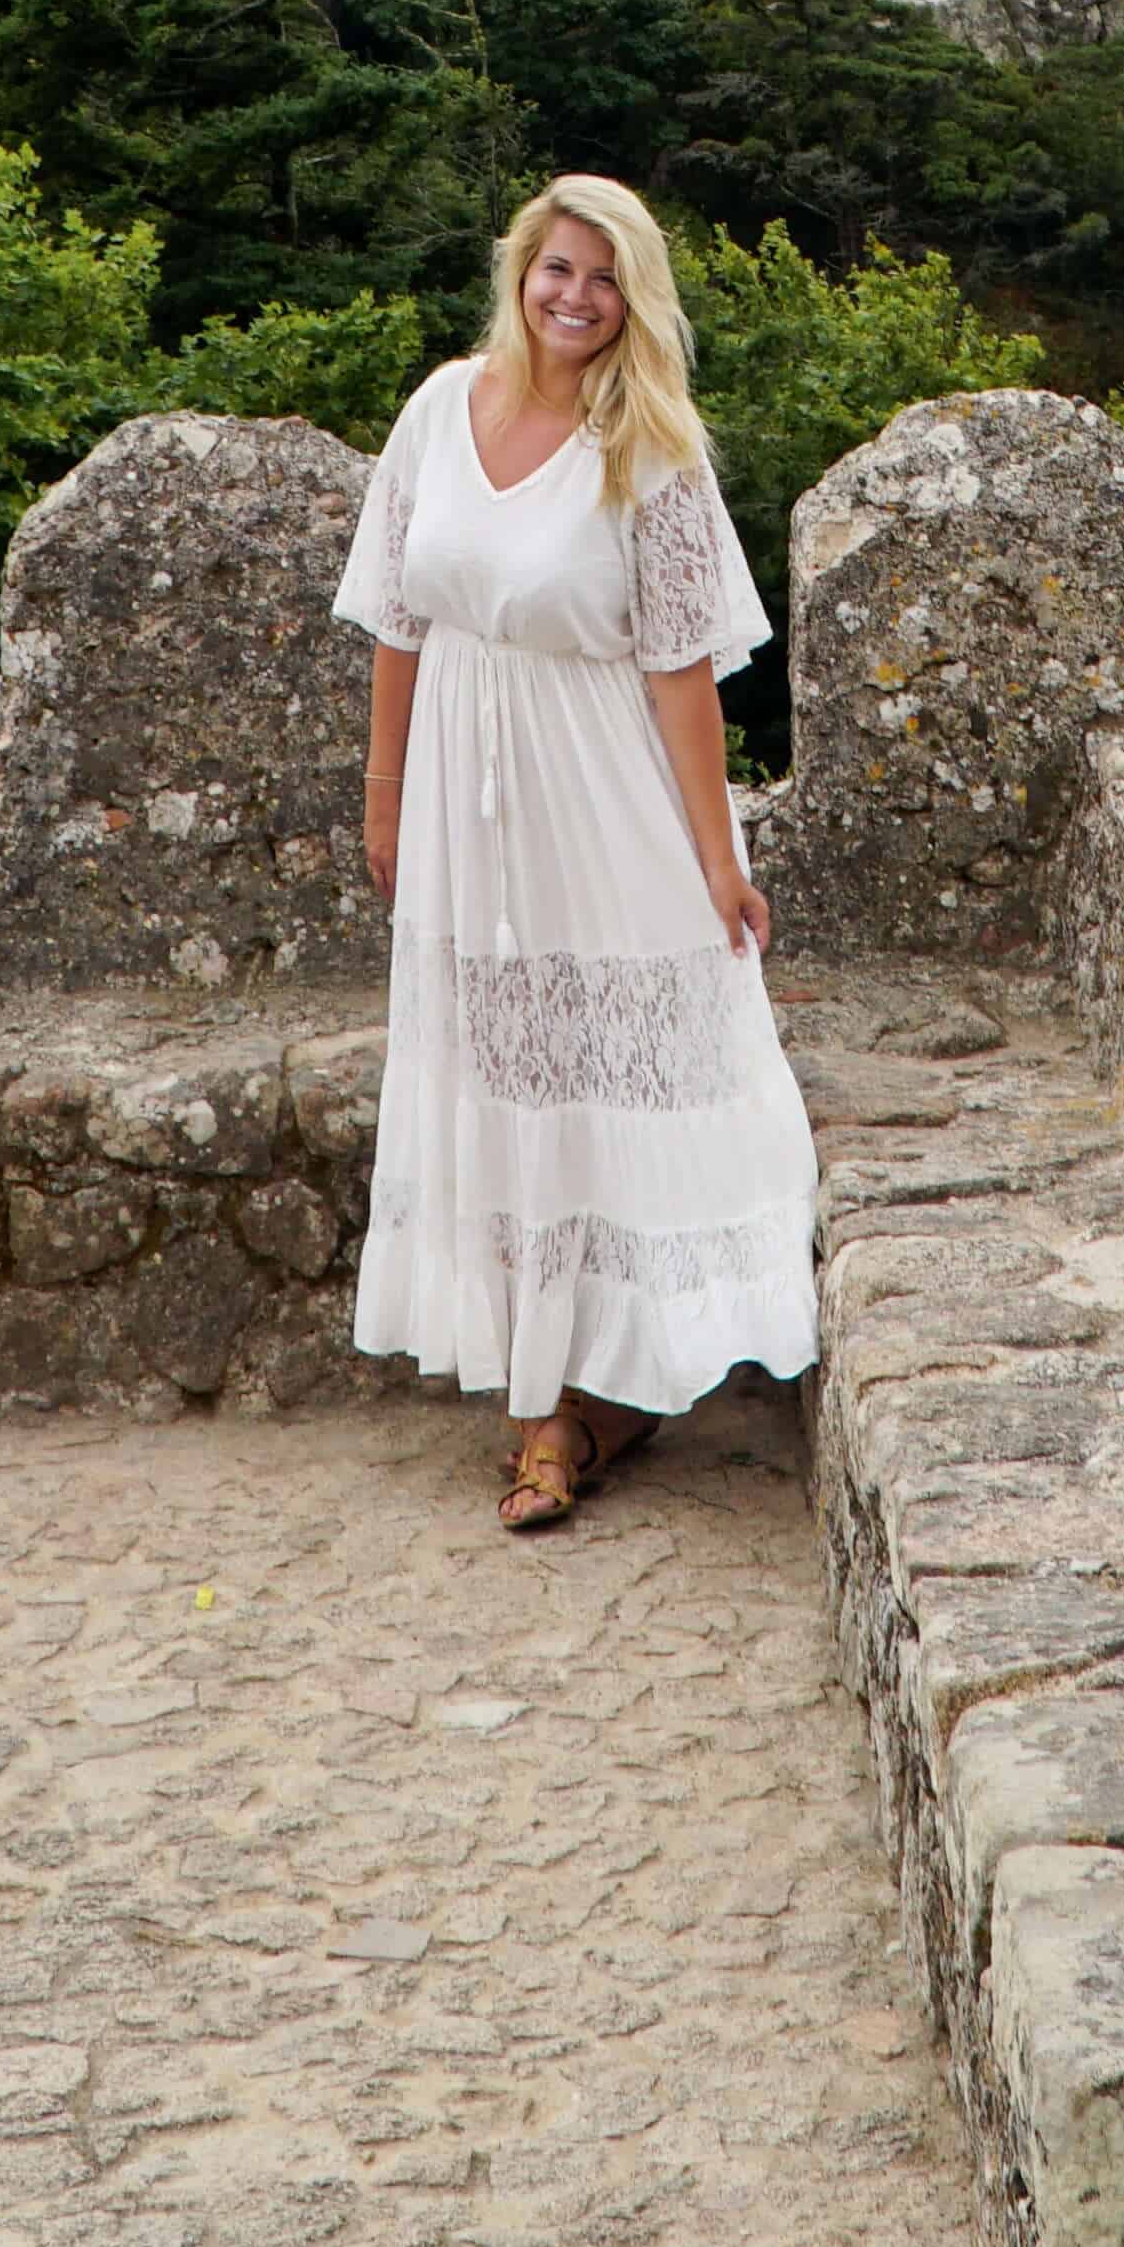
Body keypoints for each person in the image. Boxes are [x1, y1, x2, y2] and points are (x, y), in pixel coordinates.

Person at [336, 177, 817, 1529]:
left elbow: (679, 673)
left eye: (603, 280)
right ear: (522, 271)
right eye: (557, 269)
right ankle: (556, 1389)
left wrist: (717, 861)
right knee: (499, 1070)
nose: (574, 298)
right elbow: (396, 619)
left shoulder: (646, 447)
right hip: (458, 800)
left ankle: (578, 1405)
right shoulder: (440, 409)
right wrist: (384, 795)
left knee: (610, 1070)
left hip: (595, 789)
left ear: (633, 300)